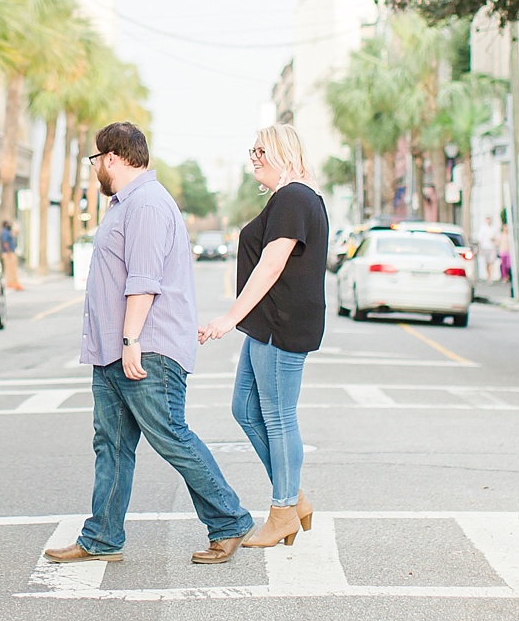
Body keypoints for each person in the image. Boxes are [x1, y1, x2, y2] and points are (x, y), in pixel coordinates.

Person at [43, 121, 255, 568]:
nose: (95, 168)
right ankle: (101, 536)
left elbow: (144, 281)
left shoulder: (148, 206)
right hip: (113, 352)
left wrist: (131, 340)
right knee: (112, 444)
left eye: (96, 160)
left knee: (170, 435)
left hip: (144, 348)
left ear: (113, 159)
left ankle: (230, 519)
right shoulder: (124, 205)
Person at [199, 123, 330, 549]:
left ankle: (283, 510)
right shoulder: (290, 197)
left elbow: (271, 265)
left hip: (281, 321)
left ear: (284, 152)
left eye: (261, 150)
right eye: (252, 149)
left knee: (277, 416)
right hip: (269, 323)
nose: (253, 156)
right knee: (245, 408)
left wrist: (227, 319)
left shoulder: (294, 197)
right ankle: (293, 497)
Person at [0, 218, 23, 291]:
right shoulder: (5, 232)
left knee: (13, 269)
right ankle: (10, 283)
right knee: (9, 269)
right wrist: (9, 251)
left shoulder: (8, 232)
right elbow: (5, 242)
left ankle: (13, 282)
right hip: (8, 253)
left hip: (10, 252)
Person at [476, 214, 499, 283]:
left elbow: (497, 237)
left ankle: (491, 277)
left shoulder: (494, 228)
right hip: (485, 247)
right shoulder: (483, 228)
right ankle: (488, 275)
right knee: (487, 263)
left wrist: (494, 240)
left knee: (491, 262)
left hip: (491, 247)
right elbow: (480, 238)